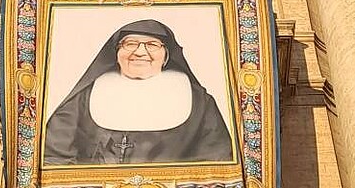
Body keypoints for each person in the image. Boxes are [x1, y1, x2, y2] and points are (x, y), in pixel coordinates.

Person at [44, 19, 233, 165]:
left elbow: (216, 157)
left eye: (152, 45)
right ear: (116, 53)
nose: (140, 52)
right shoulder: (84, 96)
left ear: (166, 56)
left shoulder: (199, 101)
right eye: (130, 44)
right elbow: (55, 153)